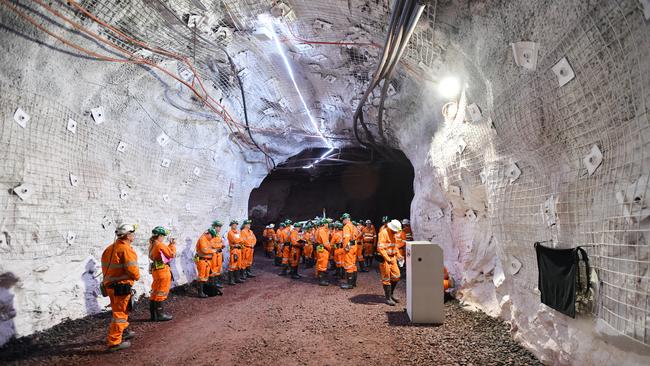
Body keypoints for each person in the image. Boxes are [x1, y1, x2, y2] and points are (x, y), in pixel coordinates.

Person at [101, 223, 140, 352]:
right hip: (121, 287)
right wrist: (137, 276)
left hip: (110, 287)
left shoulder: (109, 248)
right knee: (120, 314)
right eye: (132, 233)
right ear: (128, 235)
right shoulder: (126, 249)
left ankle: (124, 331)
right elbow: (132, 270)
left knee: (118, 310)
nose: (133, 235)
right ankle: (114, 342)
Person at [148, 226, 176, 321]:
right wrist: (172, 245)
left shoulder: (152, 244)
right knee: (161, 291)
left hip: (156, 270)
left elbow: (163, 251)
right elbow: (171, 254)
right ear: (159, 235)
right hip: (162, 270)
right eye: (163, 236)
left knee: (155, 291)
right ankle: (160, 314)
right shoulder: (160, 244)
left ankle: (154, 314)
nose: (164, 237)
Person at [377, 219, 404, 306]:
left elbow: (395, 247)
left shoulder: (393, 234)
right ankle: (388, 298)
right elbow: (381, 248)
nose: (396, 232)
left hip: (392, 258)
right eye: (395, 230)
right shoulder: (383, 233)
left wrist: (399, 256)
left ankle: (391, 294)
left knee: (396, 276)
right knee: (386, 279)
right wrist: (387, 258)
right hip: (385, 259)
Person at [195, 228, 218, 297]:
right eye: (212, 236)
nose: (212, 237)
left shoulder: (208, 240)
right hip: (202, 260)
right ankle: (200, 293)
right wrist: (213, 251)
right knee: (201, 276)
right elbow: (204, 250)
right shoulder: (202, 239)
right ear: (209, 234)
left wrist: (212, 249)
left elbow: (211, 247)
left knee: (205, 276)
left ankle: (204, 291)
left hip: (207, 260)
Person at [340, 213, 358, 289]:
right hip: (354, 246)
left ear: (346, 219)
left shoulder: (346, 227)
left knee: (349, 265)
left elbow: (346, 238)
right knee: (353, 265)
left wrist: (346, 248)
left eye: (343, 220)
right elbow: (356, 236)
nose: (342, 221)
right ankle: (353, 283)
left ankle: (349, 284)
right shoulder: (353, 226)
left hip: (349, 248)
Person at [227, 220, 244, 285]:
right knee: (233, 264)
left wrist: (239, 241)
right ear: (231, 226)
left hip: (239, 250)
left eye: (236, 225)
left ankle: (237, 278)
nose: (235, 226)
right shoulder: (230, 233)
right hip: (234, 250)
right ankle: (230, 280)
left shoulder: (237, 232)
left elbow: (242, 240)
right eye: (234, 225)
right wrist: (239, 241)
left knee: (238, 264)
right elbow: (234, 240)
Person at [315, 219, 331, 286]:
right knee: (323, 264)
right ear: (325, 224)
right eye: (327, 223)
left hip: (320, 248)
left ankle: (320, 277)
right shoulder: (322, 231)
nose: (328, 224)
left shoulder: (319, 229)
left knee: (320, 263)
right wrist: (330, 249)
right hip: (323, 249)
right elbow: (326, 243)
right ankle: (322, 281)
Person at [209, 221, 225, 289]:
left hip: (219, 253)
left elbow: (223, 244)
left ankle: (216, 283)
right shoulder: (211, 235)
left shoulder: (218, 235)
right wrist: (220, 245)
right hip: (214, 254)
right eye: (218, 227)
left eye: (220, 227)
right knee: (213, 269)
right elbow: (212, 245)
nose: (219, 228)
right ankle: (212, 284)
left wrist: (221, 245)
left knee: (218, 268)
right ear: (214, 227)